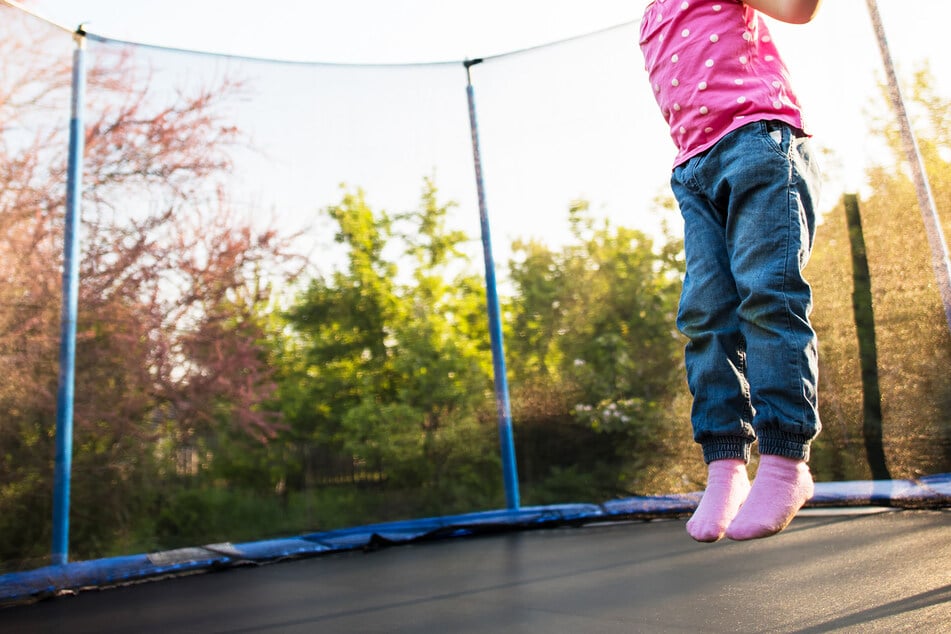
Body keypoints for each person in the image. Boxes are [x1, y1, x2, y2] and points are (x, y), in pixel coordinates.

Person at [639, 0, 823, 541]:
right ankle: (725, 465)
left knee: (767, 297)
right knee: (703, 317)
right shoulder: (651, 15)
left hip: (757, 142)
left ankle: (787, 461)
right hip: (692, 168)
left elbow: (797, 9)